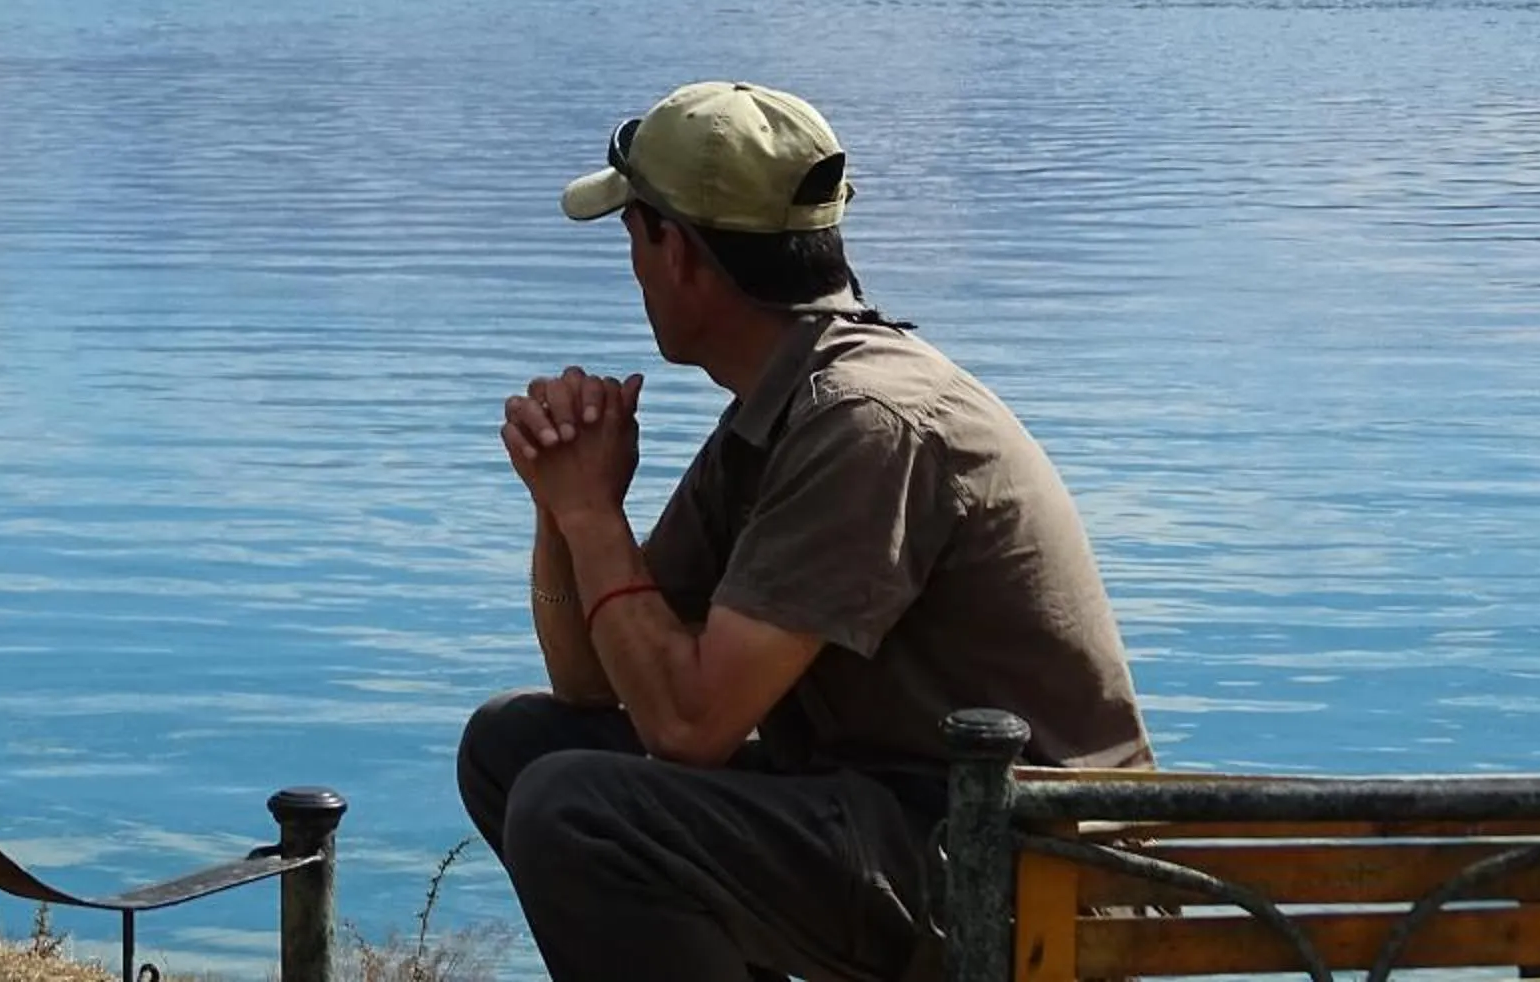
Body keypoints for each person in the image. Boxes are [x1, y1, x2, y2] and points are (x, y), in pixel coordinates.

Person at [458, 82, 1150, 982]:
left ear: (680, 253)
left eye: (634, 231)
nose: (631, 265)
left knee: (574, 807)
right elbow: (594, 682)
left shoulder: (867, 423)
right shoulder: (779, 411)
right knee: (518, 746)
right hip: (910, 823)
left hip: (1025, 867)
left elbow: (689, 725)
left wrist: (592, 514)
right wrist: (564, 505)